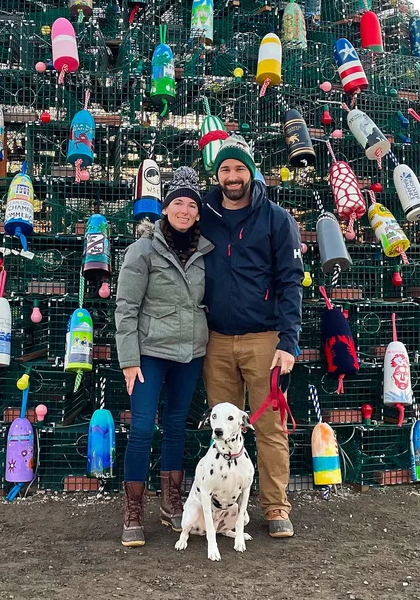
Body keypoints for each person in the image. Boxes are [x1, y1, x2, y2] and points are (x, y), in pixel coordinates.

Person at [199, 136, 303, 539]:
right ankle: (222, 510)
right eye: (225, 169)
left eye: (239, 168)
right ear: (218, 173)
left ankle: (276, 507)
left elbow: (291, 282)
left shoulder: (276, 219)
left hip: (264, 339)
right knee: (223, 432)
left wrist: (288, 342)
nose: (232, 176)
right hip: (217, 339)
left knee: (270, 427)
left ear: (250, 171)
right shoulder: (204, 214)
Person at [115, 167, 211, 547]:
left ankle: (172, 500)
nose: (184, 210)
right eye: (177, 203)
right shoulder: (142, 250)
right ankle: (133, 508)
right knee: (141, 428)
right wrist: (129, 359)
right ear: (165, 207)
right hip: (149, 353)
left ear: (198, 212)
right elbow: (125, 307)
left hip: (190, 352)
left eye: (191, 204)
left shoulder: (206, 252)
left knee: (175, 426)